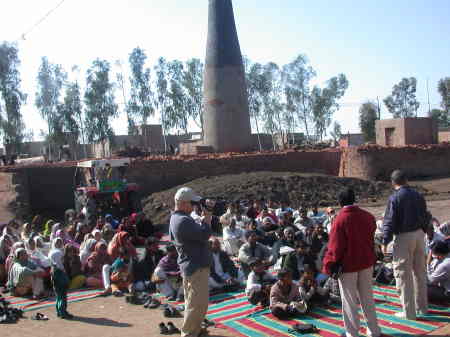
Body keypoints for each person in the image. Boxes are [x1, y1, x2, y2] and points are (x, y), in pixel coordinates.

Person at [323, 188, 381, 337]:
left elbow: (335, 247)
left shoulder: (340, 220)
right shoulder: (368, 216)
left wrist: (330, 263)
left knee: (349, 300)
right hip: (366, 262)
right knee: (367, 297)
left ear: (340, 202)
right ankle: (374, 330)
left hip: (348, 266)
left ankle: (352, 332)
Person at [382, 170, 429, 319]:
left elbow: (389, 221)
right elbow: (426, 215)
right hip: (419, 235)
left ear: (393, 182)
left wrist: (385, 241)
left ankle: (409, 312)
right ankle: (422, 307)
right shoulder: (418, 195)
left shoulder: (394, 198)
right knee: (420, 273)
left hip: (403, 237)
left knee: (403, 275)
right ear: (406, 180)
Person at [169, 187, 212, 337]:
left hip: (190, 265)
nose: (194, 206)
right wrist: (207, 216)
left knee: (192, 303)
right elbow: (205, 233)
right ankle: (188, 333)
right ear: (183, 203)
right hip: (196, 266)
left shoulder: (177, 218)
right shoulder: (183, 220)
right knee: (198, 304)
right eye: (192, 203)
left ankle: (195, 330)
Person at [49, 239, 73, 319]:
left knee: (58, 295)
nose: (59, 244)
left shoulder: (52, 253)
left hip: (54, 275)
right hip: (59, 275)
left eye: (60, 242)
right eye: (57, 243)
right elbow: (60, 264)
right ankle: (63, 312)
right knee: (62, 295)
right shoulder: (58, 254)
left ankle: (59, 311)